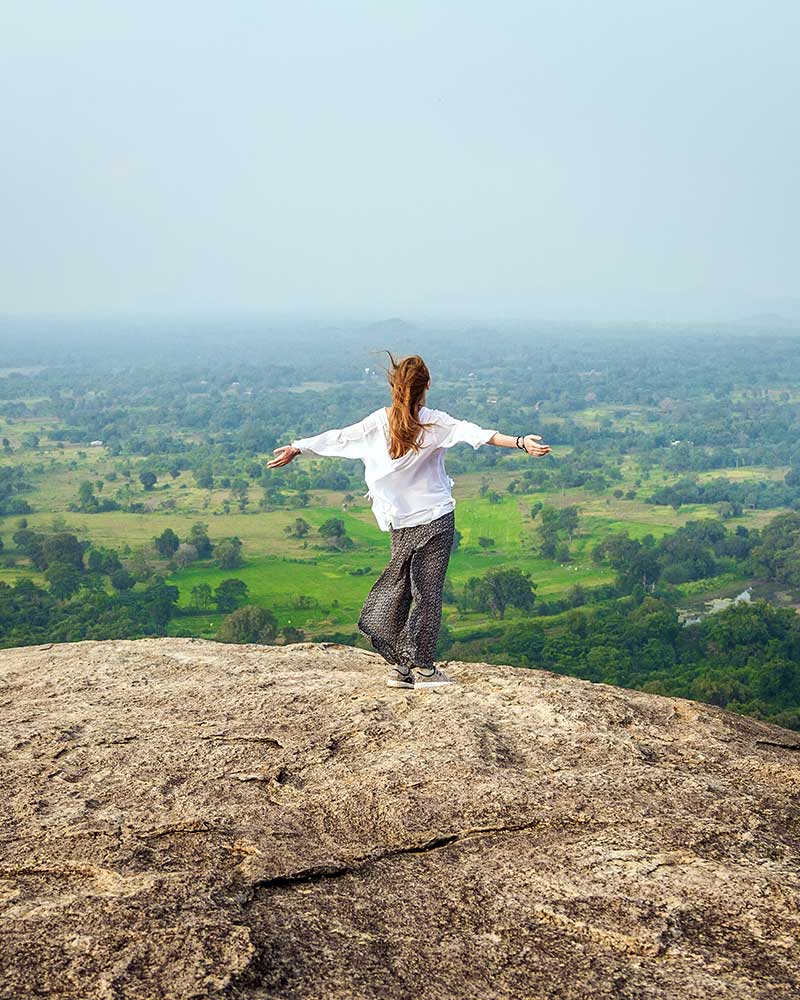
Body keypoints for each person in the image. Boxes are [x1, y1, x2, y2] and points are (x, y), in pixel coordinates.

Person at [267, 352, 551, 690]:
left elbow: (340, 438)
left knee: (402, 588)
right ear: (427, 385)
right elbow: (478, 434)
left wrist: (298, 448)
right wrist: (521, 443)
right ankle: (425, 670)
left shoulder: (379, 422)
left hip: (400, 522)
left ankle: (401, 669)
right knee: (427, 593)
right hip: (435, 519)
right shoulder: (435, 421)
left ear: (395, 386)